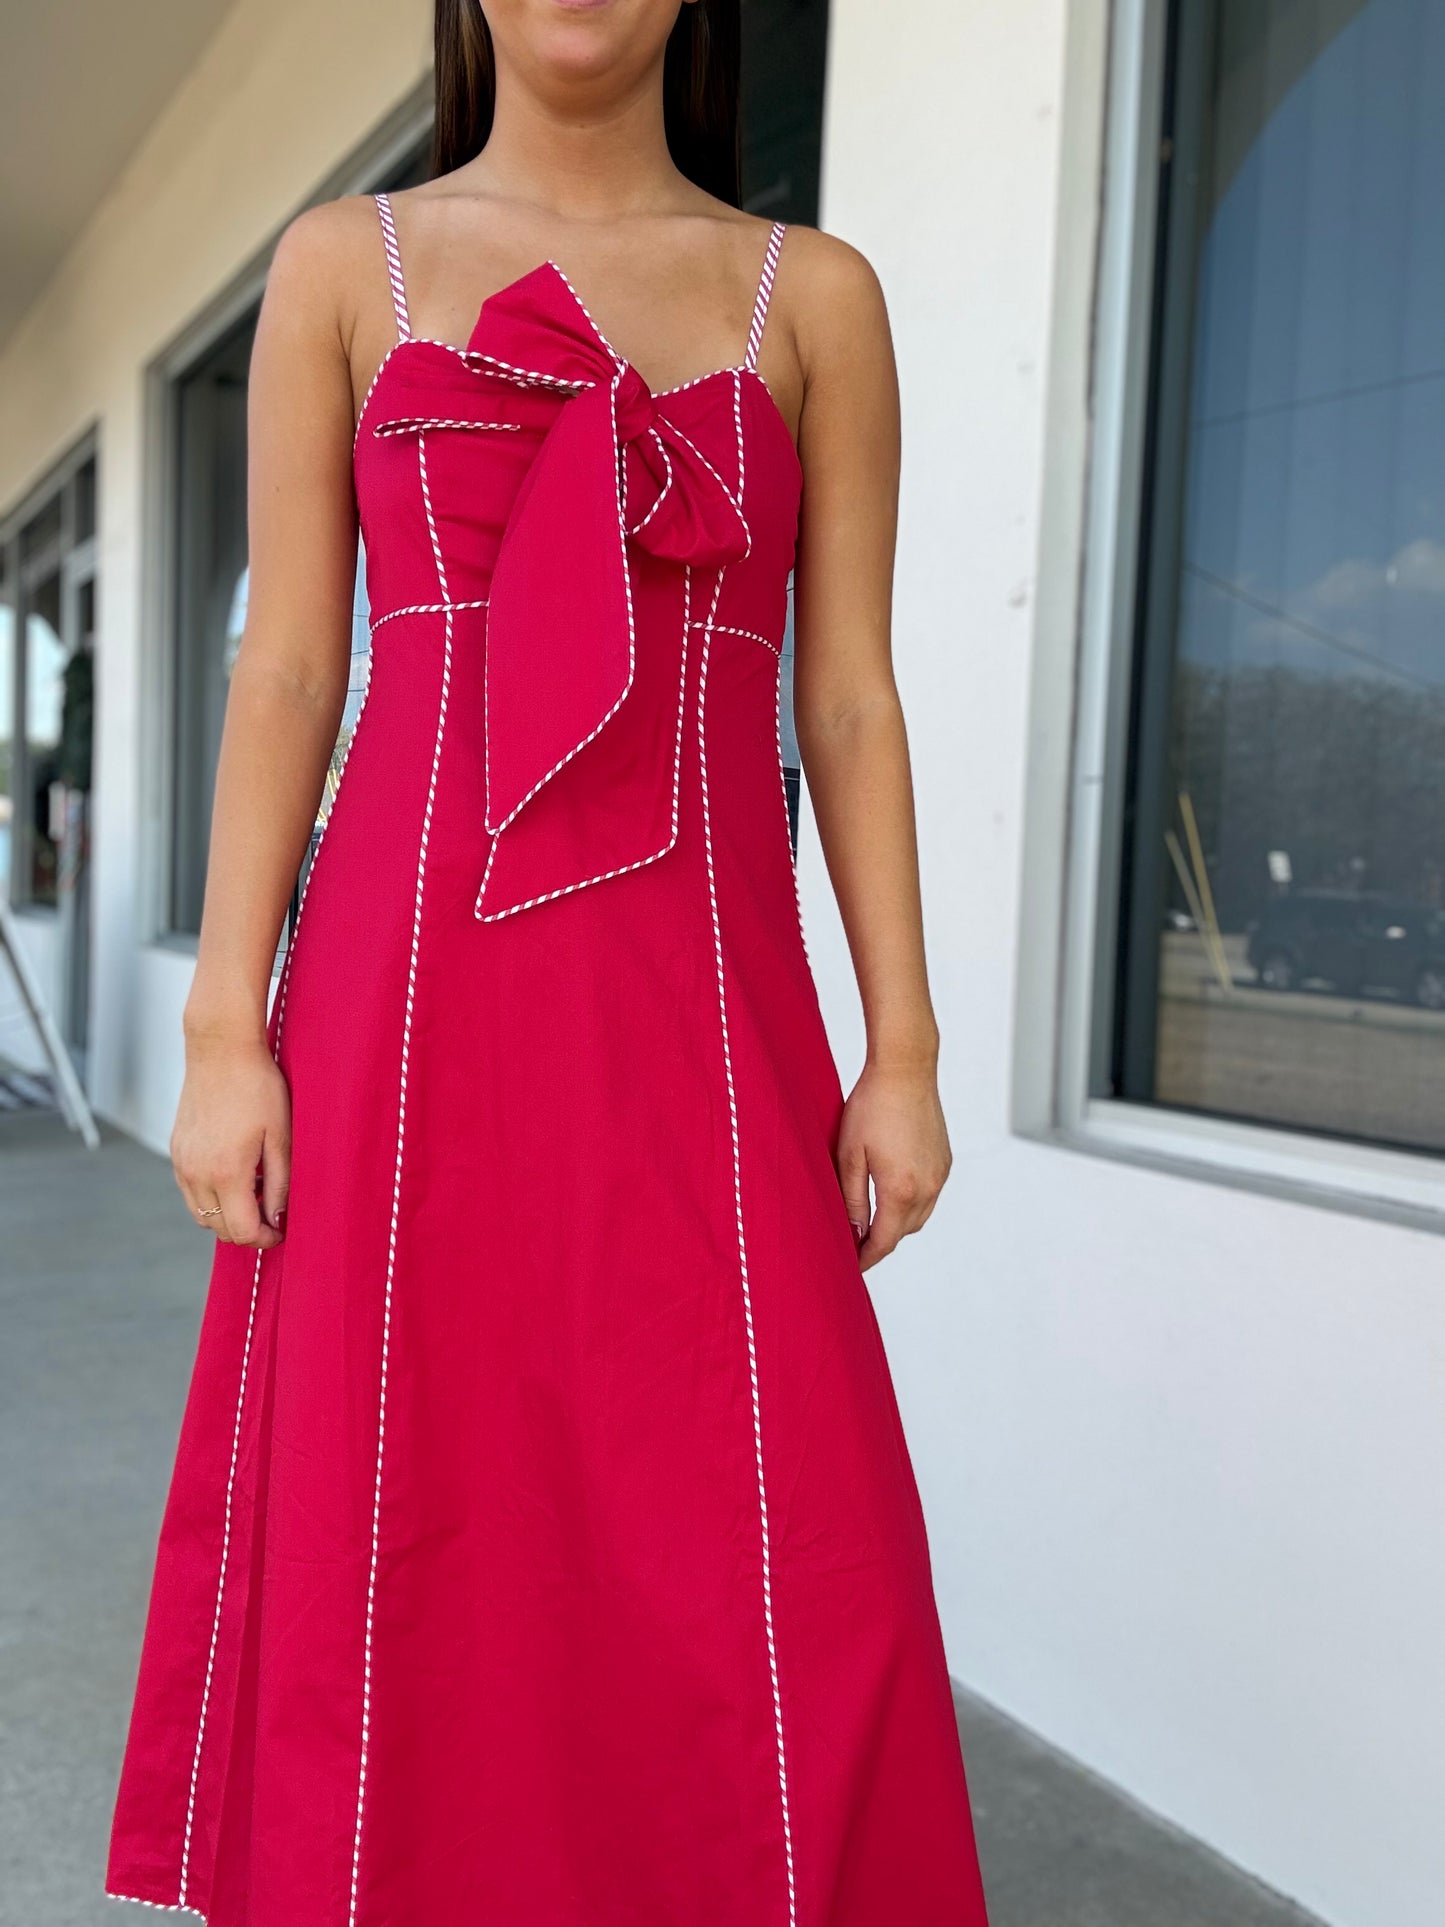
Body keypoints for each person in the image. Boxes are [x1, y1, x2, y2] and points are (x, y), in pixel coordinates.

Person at [106, 2, 991, 1921]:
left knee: (773, 1525)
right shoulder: (345, 266)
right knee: (404, 1515)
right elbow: (288, 670)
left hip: (708, 1022)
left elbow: (847, 700)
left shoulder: (813, 298)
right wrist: (223, 1023)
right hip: (402, 1016)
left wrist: (904, 1048)